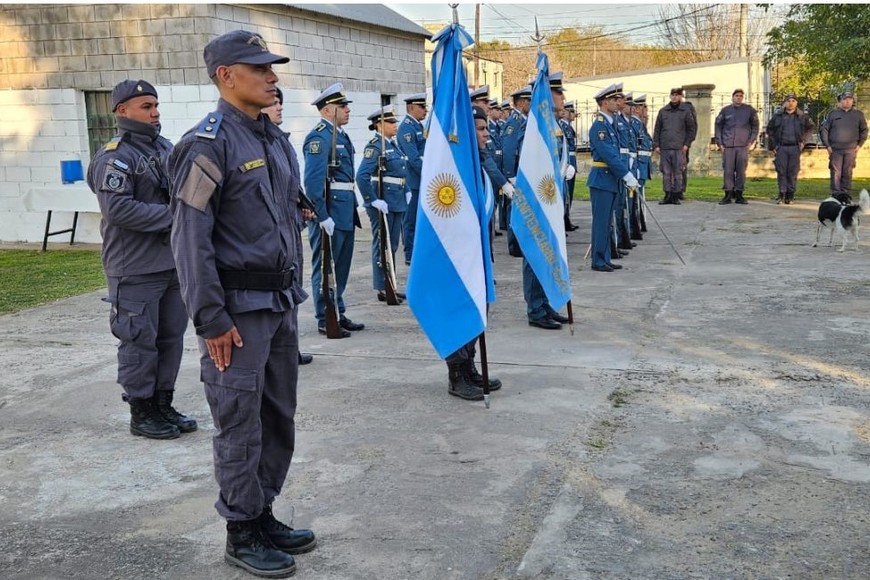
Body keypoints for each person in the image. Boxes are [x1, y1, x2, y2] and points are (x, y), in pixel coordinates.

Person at [168, 30, 316, 578]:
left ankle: (263, 510)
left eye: (271, 68)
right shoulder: (206, 145)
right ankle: (240, 529)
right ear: (227, 76)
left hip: (280, 300)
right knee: (239, 421)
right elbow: (189, 239)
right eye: (260, 69)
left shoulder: (272, 139)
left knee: (278, 414)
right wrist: (210, 318)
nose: (272, 77)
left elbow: (284, 209)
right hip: (236, 311)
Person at [86, 79, 196, 440]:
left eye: (156, 105)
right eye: (146, 106)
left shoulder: (164, 147)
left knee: (170, 338)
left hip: (171, 262)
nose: (155, 112)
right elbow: (118, 209)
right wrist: (176, 216)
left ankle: (163, 403)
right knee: (138, 341)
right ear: (122, 111)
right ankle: (141, 410)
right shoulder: (116, 156)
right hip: (134, 267)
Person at [444, 104, 505, 401]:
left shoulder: (477, 163)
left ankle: (469, 368)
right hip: (462, 257)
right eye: (480, 130)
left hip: (481, 253)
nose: (486, 135)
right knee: (461, 309)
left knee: (479, 310)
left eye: (485, 129)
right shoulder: (458, 169)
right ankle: (457, 375)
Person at [303, 83, 364, 339]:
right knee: (326, 266)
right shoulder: (319, 137)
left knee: (341, 266)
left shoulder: (339, 134)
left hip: (344, 210)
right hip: (330, 212)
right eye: (342, 106)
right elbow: (313, 182)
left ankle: (337, 309)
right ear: (328, 110)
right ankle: (324, 316)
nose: (347, 109)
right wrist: (322, 215)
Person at [262, 87, 314, 365]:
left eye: (280, 101)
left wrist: (302, 209)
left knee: (293, 291)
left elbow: (292, 187)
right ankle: (279, 351)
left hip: (290, 231)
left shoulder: (282, 142)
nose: (280, 107)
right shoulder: (261, 145)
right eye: (274, 102)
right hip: (273, 238)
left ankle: (288, 348)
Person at [355, 105, 409, 303]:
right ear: (379, 125)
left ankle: (390, 283)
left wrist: (408, 190)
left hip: (397, 200)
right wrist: (372, 200)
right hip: (383, 201)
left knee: (392, 245)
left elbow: (402, 169)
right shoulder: (375, 146)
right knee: (383, 244)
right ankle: (383, 286)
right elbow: (361, 176)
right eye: (390, 122)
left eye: (395, 122)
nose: (395, 125)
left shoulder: (392, 144)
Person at [588, 84, 635, 273]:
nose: (618, 103)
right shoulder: (599, 126)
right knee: (601, 222)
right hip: (602, 180)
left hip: (610, 180)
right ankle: (598, 260)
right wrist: (625, 174)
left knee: (607, 222)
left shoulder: (610, 124)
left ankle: (605, 257)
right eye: (614, 100)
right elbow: (608, 154)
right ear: (604, 102)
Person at [766, 93, 815, 204]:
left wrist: (804, 141)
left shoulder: (802, 116)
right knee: (781, 171)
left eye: (793, 101)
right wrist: (772, 146)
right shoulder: (777, 116)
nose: (791, 103)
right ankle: (782, 194)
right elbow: (770, 130)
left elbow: (810, 128)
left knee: (792, 172)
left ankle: (790, 195)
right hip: (781, 147)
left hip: (795, 147)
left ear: (796, 103)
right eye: (788, 101)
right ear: (785, 103)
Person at [396, 92, 427, 265]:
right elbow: (414, 158)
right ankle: (409, 253)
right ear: (411, 108)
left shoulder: (418, 126)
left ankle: (415, 249)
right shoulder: (407, 128)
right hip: (412, 181)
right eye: (421, 107)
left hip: (419, 180)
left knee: (417, 218)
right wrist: (428, 173)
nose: (425, 110)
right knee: (410, 219)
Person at [715, 88, 759, 205]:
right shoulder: (725, 111)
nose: (739, 97)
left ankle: (739, 194)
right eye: (736, 95)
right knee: (728, 171)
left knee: (741, 171)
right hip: (728, 145)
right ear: (732, 97)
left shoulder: (749, 110)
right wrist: (720, 143)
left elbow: (755, 127)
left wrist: (751, 141)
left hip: (742, 145)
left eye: (741, 96)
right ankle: (728, 195)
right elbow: (718, 127)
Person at [820, 90, 868, 196]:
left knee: (847, 172)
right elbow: (824, 130)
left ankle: (845, 194)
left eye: (849, 99)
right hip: (835, 149)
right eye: (845, 99)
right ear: (840, 102)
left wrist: (860, 145)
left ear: (852, 101)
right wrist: (827, 146)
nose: (847, 101)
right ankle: (836, 194)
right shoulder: (832, 114)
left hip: (851, 149)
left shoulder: (858, 115)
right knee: (836, 172)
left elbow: (864, 130)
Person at [653, 87, 696, 205]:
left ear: (681, 96)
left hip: (679, 147)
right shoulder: (663, 111)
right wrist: (656, 144)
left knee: (678, 172)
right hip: (665, 146)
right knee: (666, 172)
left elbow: (691, 129)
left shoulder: (685, 111)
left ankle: (676, 195)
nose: (674, 97)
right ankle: (667, 194)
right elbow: (657, 128)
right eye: (672, 95)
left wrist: (687, 144)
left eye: (677, 95)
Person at [500, 85, 532, 232]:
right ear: (520, 103)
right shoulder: (514, 121)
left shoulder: (524, 120)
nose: (531, 104)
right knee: (515, 208)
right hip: (516, 171)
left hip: (523, 169)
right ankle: (514, 243)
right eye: (529, 101)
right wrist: (510, 175)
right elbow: (508, 149)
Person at [559, 101, 580, 231]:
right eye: (571, 111)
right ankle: (564, 220)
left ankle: (567, 218)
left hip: (572, 160)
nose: (574, 114)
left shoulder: (569, 127)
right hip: (567, 161)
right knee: (565, 194)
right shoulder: (562, 126)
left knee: (569, 194)